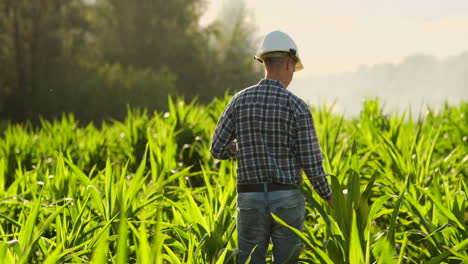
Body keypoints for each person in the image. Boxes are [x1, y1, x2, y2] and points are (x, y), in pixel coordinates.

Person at [210, 30, 334, 264]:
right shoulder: (297, 107)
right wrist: (329, 197)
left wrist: (243, 146)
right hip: (287, 198)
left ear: (264, 62)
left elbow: (217, 149)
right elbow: (311, 162)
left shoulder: (239, 100)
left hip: (250, 197)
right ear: (289, 64)